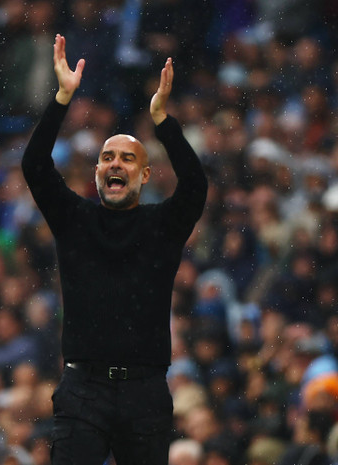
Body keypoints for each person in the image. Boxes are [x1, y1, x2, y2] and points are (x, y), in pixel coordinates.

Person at [21, 34, 208, 464]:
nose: (115, 164)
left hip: (146, 392)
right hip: (82, 389)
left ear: (144, 175)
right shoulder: (74, 218)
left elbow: (196, 185)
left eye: (126, 159)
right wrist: (63, 98)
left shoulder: (162, 224)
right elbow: (34, 165)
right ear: (97, 172)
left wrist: (162, 120)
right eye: (107, 158)